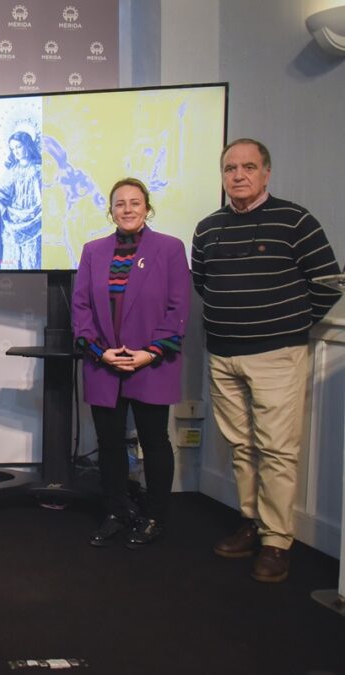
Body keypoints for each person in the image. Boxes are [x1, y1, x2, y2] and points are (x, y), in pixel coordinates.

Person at [192, 138, 341, 582]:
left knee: (277, 449)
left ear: (266, 173)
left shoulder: (296, 220)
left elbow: (330, 283)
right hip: (222, 353)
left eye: (248, 167)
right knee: (242, 446)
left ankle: (277, 540)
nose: (238, 175)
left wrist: (292, 324)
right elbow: (203, 282)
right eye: (230, 168)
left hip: (277, 355)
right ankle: (253, 523)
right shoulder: (207, 228)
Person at [72, 178, 191, 548]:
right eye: (119, 203)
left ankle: (155, 516)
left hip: (152, 361)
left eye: (134, 202)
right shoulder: (93, 250)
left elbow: (179, 306)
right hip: (104, 360)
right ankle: (116, 511)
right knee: (108, 444)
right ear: (110, 210)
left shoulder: (170, 248)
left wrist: (151, 352)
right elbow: (80, 307)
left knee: (154, 442)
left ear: (147, 207)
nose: (127, 209)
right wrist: (98, 350)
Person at [0, 131, 42, 270]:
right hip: (13, 222)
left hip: (36, 221)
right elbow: (2, 195)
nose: (16, 152)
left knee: (32, 261)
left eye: (18, 147)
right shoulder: (12, 171)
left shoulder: (39, 170)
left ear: (28, 145)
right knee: (13, 262)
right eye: (13, 149)